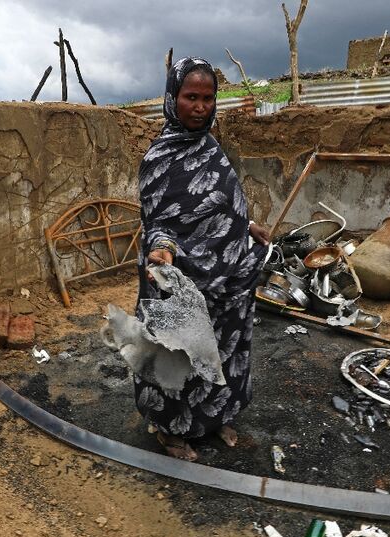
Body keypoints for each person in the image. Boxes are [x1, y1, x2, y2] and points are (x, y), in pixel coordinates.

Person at [134, 56, 270, 461]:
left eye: (208, 98)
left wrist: (247, 227)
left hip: (227, 274)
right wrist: (162, 250)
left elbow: (215, 202)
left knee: (225, 347)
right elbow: (159, 218)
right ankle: (170, 430)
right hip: (180, 273)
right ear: (172, 98)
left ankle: (214, 417)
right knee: (178, 352)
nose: (200, 106)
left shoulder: (210, 147)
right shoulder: (159, 159)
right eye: (191, 97)